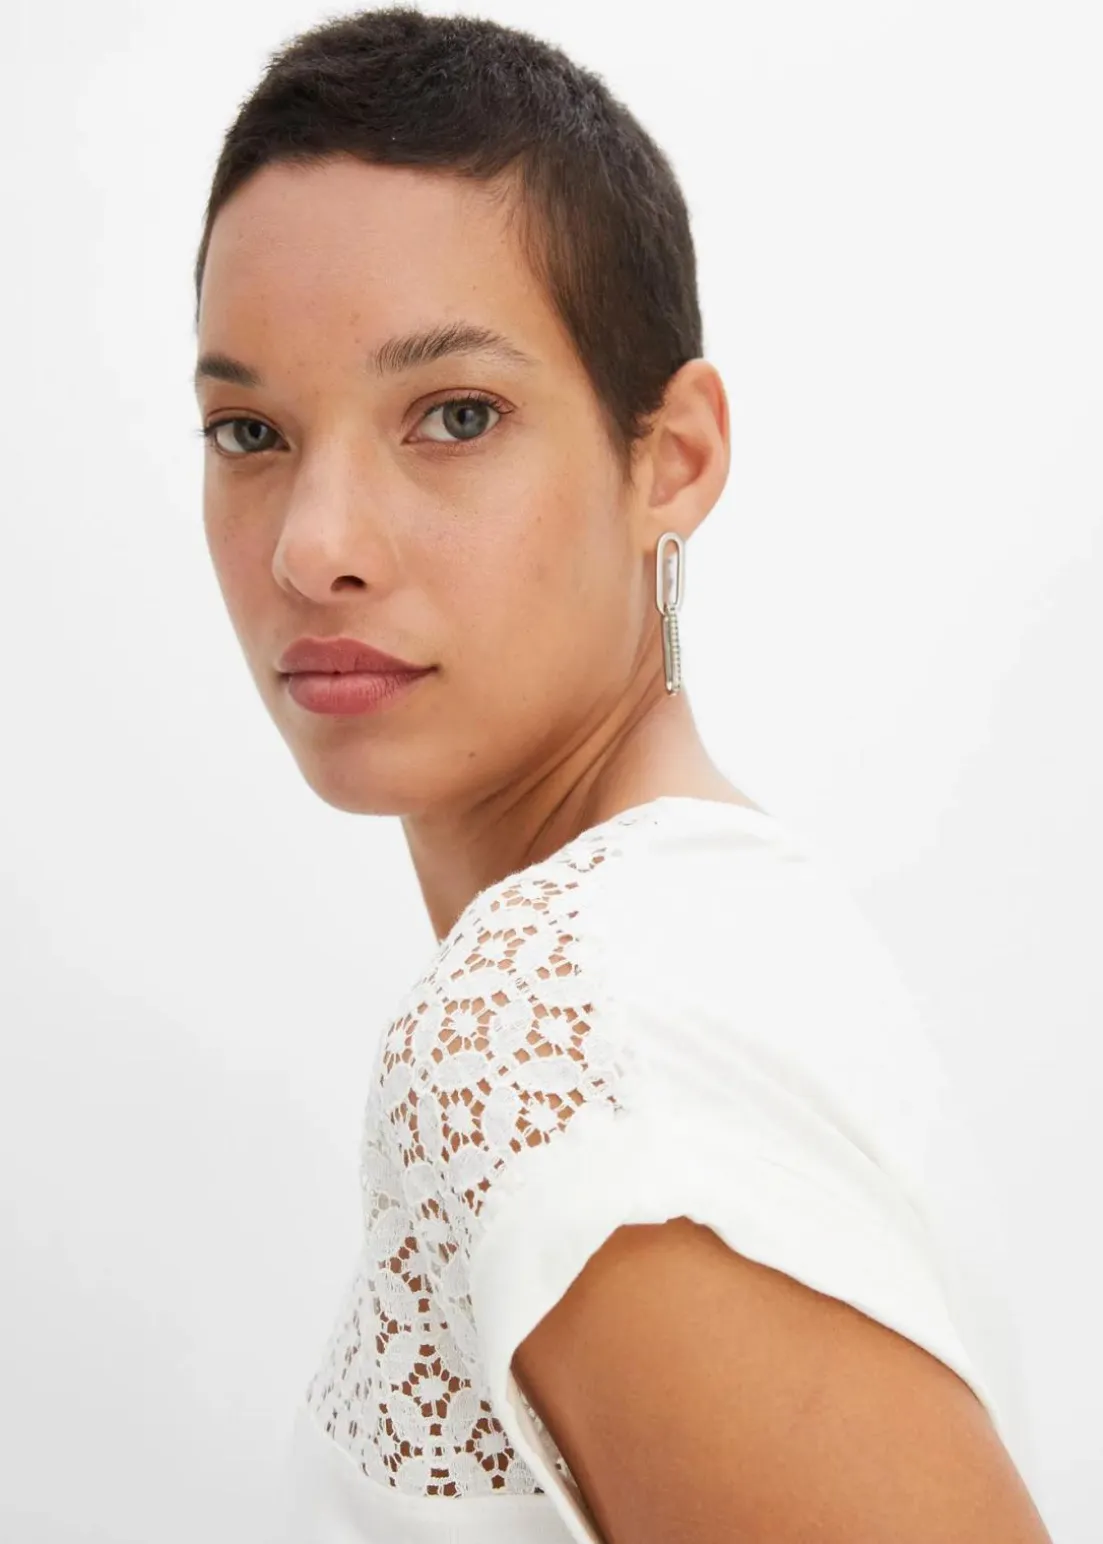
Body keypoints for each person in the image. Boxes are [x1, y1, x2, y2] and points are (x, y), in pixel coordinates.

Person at [191, 8, 1053, 1542]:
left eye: (454, 416)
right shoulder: (712, 931)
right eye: (249, 429)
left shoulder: (562, 1029)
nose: (312, 546)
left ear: (671, 456)